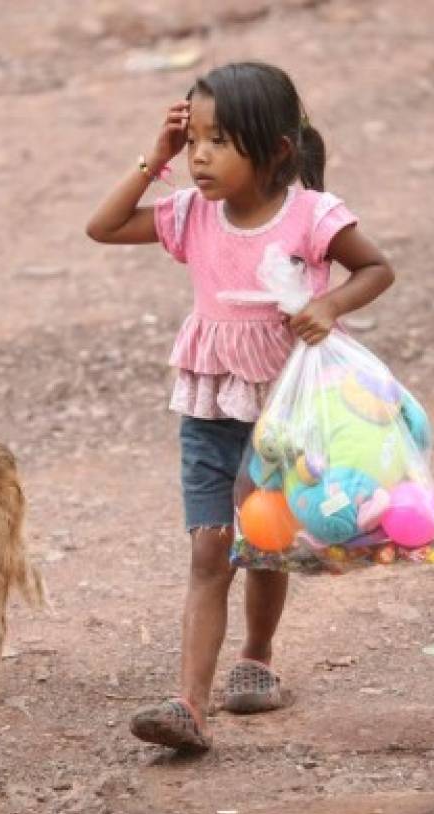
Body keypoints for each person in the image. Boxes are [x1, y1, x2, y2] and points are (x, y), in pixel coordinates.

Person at [85, 61, 395, 752]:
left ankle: (256, 660)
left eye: (218, 141)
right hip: (208, 405)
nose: (200, 155)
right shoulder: (192, 214)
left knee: (263, 543)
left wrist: (331, 303)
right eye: (193, 139)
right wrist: (151, 158)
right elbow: (102, 227)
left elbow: (377, 267)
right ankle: (188, 706)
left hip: (284, 410)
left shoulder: (311, 215)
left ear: (277, 150)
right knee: (209, 548)